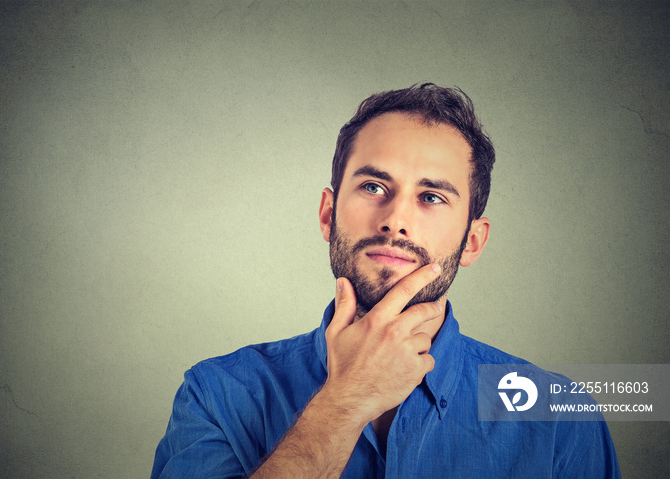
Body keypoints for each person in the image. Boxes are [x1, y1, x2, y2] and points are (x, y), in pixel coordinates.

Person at [151, 84, 620, 478]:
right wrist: (346, 401)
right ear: (328, 214)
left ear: (472, 242)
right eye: (374, 187)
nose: (396, 220)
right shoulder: (216, 393)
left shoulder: (562, 418)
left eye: (432, 197)